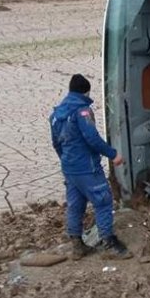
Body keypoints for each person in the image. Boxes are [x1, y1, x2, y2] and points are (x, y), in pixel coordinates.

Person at [50, 74, 131, 260]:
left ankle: (77, 245)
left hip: (70, 168)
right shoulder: (82, 112)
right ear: (85, 92)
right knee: (103, 201)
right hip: (87, 167)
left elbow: (56, 143)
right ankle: (108, 242)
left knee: (76, 205)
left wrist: (66, 162)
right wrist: (113, 154)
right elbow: (92, 139)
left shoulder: (56, 115)